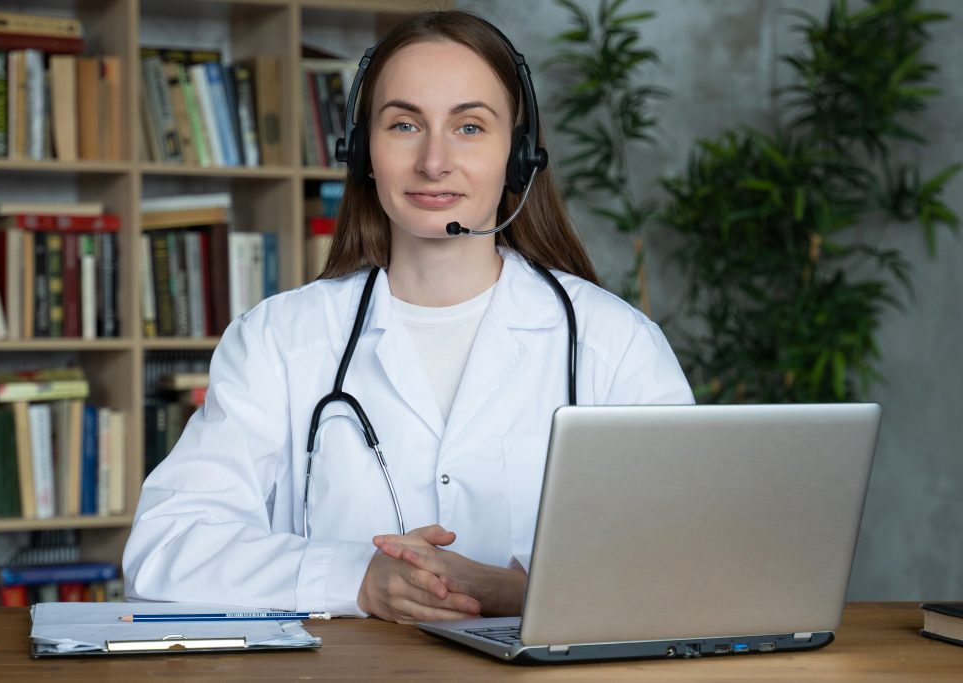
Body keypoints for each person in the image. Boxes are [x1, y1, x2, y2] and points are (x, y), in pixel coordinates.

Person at [123, 11, 693, 624]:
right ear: (363, 150)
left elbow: (691, 554)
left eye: (470, 126)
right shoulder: (277, 340)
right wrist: (357, 579)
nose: (433, 161)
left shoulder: (617, 343)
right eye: (404, 124)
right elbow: (164, 550)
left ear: (520, 154)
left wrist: (520, 592)